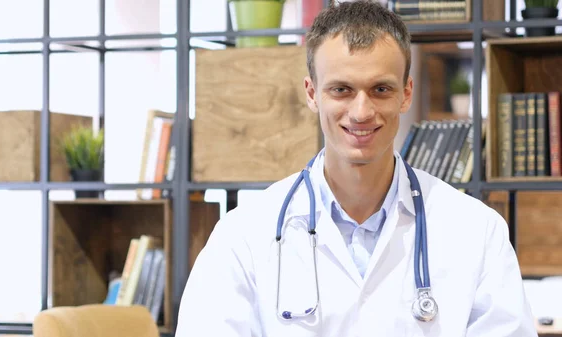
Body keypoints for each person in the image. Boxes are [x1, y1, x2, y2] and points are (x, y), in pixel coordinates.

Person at [174, 1, 538, 336]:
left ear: (406, 93)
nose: (362, 112)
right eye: (341, 90)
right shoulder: (243, 235)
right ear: (312, 93)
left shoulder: (476, 231)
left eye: (381, 89)